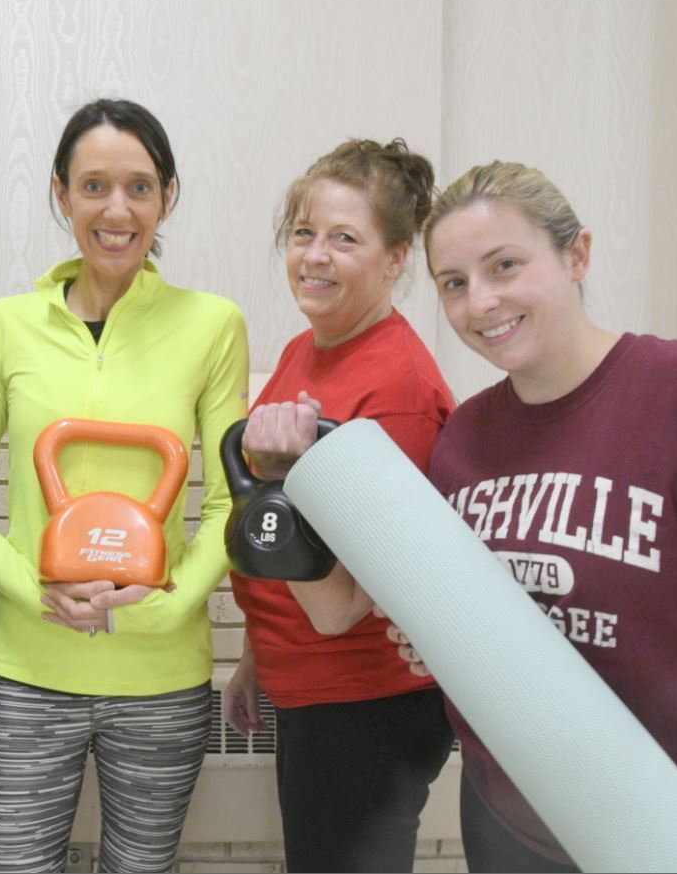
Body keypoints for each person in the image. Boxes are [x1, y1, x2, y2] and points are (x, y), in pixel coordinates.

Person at [401, 160, 677, 871]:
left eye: (504, 265)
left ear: (577, 254)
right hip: (509, 822)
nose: (480, 302)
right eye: (453, 283)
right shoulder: (463, 439)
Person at [0, 98, 249, 873]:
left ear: (167, 196)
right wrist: (35, 590)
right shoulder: (5, 324)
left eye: (140, 187)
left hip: (163, 678)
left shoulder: (212, 323)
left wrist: (164, 608)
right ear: (60, 194)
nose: (117, 210)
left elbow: (228, 500)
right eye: (93, 186)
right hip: (26, 672)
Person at [223, 139, 457, 872]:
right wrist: (256, 653)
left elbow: (340, 607)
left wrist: (292, 473)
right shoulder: (307, 348)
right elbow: (287, 534)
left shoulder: (396, 390)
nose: (314, 256)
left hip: (365, 703)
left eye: (344, 239)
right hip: (312, 689)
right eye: (303, 232)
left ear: (395, 260)